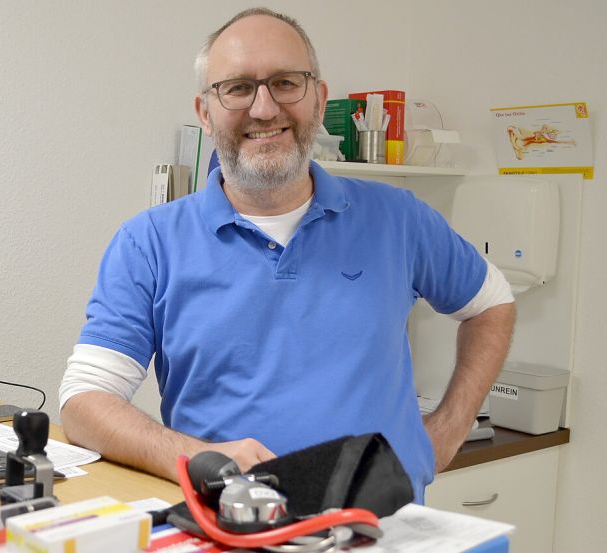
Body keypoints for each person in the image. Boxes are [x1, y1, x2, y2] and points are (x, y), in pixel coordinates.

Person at [59, 7, 515, 502]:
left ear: (318, 99)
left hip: (383, 529)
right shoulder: (148, 243)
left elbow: (492, 302)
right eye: (237, 88)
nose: (263, 108)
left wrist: (447, 430)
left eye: (285, 83)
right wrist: (194, 458)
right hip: (233, 525)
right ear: (205, 113)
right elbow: (85, 401)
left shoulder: (397, 218)